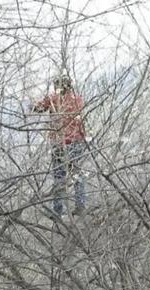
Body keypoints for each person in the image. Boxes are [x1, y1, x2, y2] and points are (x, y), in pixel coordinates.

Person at [33, 75, 88, 217]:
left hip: (59, 143)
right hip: (77, 141)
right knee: (78, 175)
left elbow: (36, 108)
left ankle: (58, 210)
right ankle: (80, 205)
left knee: (59, 177)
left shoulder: (53, 99)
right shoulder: (78, 99)